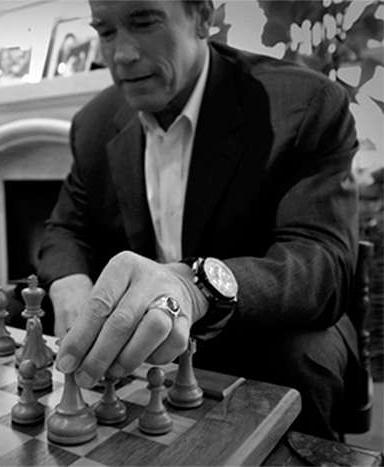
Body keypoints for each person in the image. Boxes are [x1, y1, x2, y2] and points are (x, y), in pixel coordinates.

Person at [38, 0, 359, 441]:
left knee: (302, 355)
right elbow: (65, 228)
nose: (121, 55)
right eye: (105, 31)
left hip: (252, 326)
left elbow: (321, 261)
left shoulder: (303, 104)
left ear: (203, 17)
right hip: (148, 334)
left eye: (144, 21)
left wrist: (195, 286)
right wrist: (70, 282)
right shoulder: (93, 123)